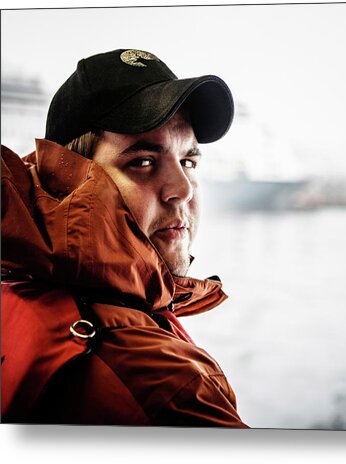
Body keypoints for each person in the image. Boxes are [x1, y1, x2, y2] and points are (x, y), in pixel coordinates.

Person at [1, 49, 247, 427]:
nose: (182, 189)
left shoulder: (18, 286)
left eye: (188, 162)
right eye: (142, 162)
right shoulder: (163, 385)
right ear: (63, 179)